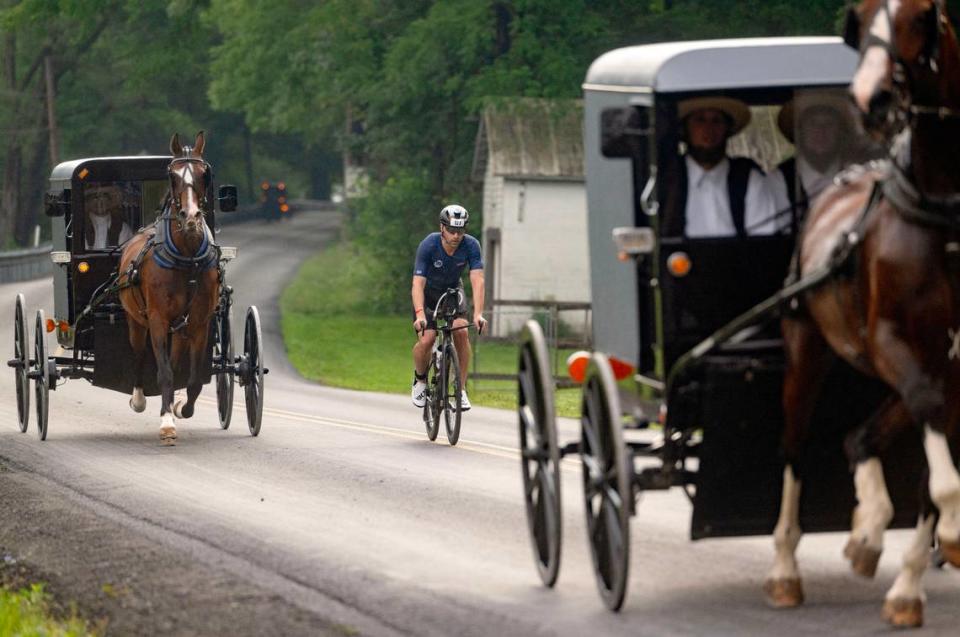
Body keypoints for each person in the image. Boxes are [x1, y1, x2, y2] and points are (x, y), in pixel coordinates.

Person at [662, 96, 782, 238]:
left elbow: (764, 242)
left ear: (727, 128)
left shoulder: (748, 178)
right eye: (700, 120)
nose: (708, 129)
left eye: (716, 121)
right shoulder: (666, 179)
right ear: (685, 128)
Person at [411, 204, 486, 410]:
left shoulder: (471, 245)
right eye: (452, 230)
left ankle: (460, 389)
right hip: (428, 293)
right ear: (442, 227)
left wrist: (478, 313)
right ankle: (420, 380)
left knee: (461, 331)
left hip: (453, 291)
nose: (456, 236)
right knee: (427, 338)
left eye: (460, 231)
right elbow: (418, 283)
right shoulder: (429, 245)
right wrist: (419, 314)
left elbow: (477, 280)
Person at [769, 94, 855, 226]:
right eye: (812, 123)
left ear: (840, 131)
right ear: (799, 131)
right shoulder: (780, 178)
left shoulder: (857, 173)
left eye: (829, 124)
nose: (821, 131)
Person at [84, 183, 133, 250]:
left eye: (104, 196)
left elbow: (126, 253)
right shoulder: (81, 226)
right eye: (95, 197)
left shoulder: (123, 227)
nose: (100, 202)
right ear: (88, 201)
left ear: (110, 201)